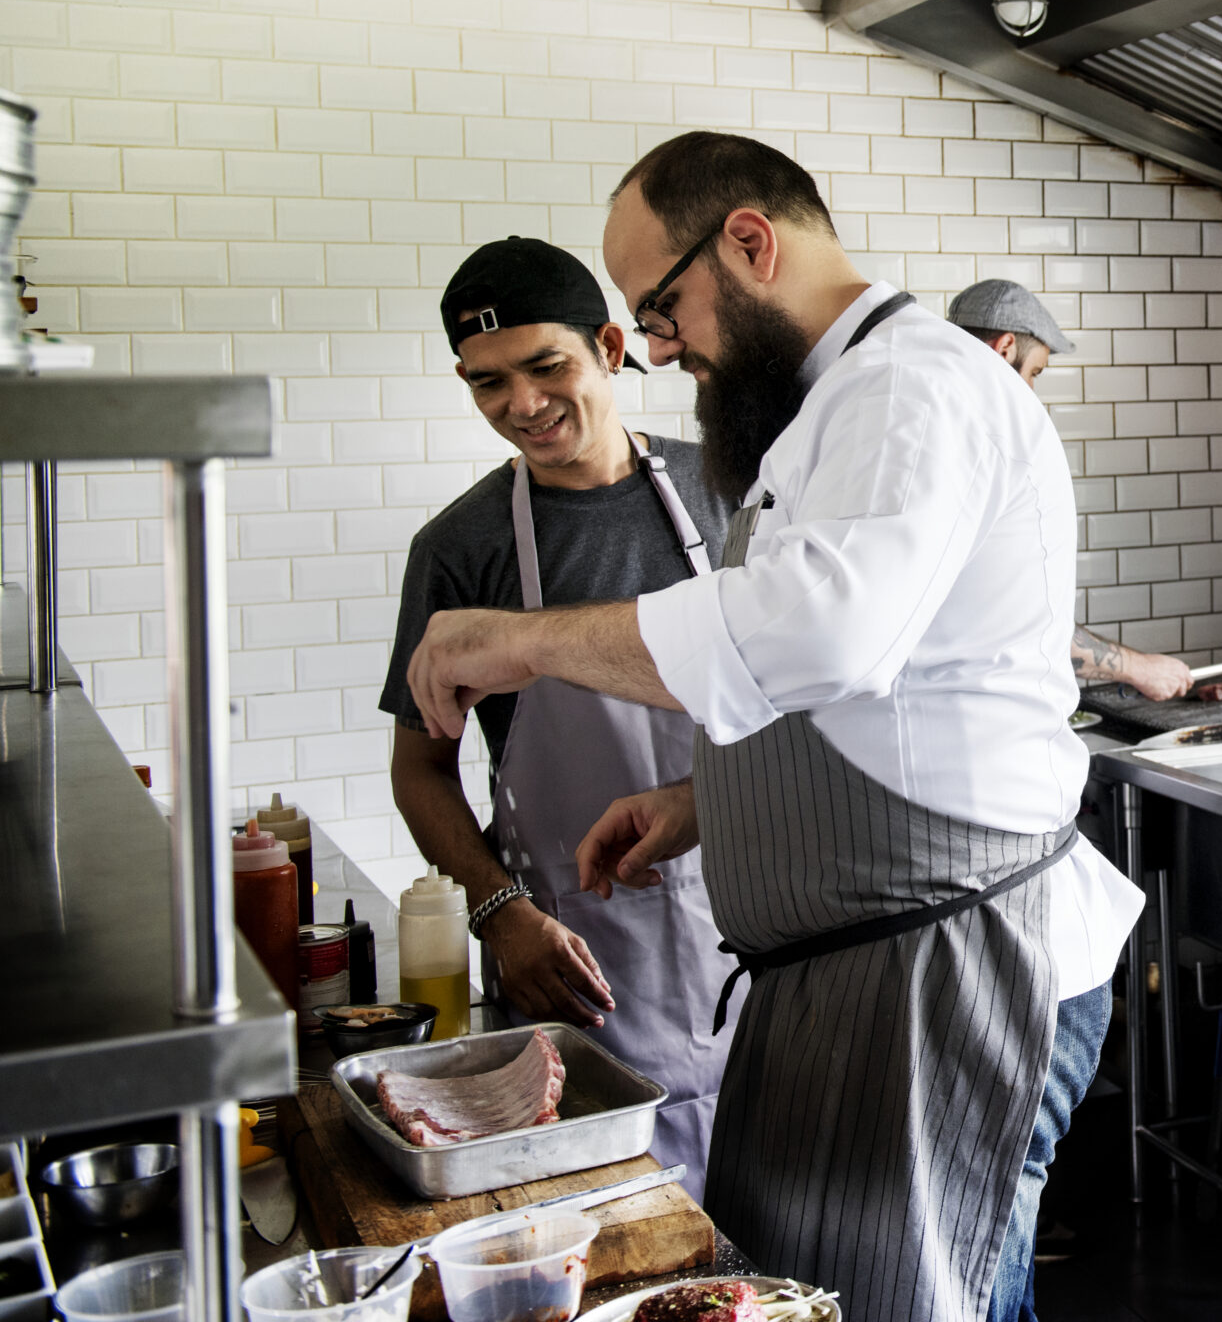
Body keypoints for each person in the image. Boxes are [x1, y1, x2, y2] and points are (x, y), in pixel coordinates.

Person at [402, 133, 1141, 1322]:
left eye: (662, 306)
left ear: (749, 242)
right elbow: (879, 690)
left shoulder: (912, 387)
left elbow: (818, 635)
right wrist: (710, 803)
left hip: (946, 967)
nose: (657, 346)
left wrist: (523, 639)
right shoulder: (834, 409)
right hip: (862, 975)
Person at [382, 237, 735, 1191]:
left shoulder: (733, 488)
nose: (522, 406)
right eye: (486, 384)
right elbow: (420, 768)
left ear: (611, 347)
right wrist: (502, 917)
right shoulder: (461, 547)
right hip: (578, 954)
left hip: (756, 924)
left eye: (547, 367)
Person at [947, 277, 1196, 703]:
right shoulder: (989, 453)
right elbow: (1020, 619)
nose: (1031, 393)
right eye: (1035, 373)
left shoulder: (935, 431)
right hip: (982, 722)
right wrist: (1139, 668)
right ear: (1005, 348)